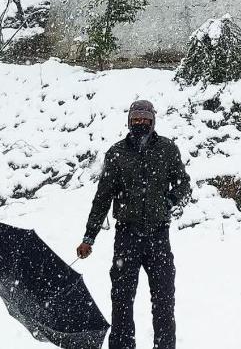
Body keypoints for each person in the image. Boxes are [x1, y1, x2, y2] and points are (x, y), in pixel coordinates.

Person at [76, 100, 191, 349]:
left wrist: (168, 200)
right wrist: (89, 237)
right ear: (129, 121)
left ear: (152, 121)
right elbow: (102, 198)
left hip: (158, 237)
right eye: (136, 119)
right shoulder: (117, 153)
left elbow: (184, 184)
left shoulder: (167, 149)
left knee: (163, 302)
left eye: (145, 119)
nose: (140, 123)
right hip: (126, 237)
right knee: (121, 300)